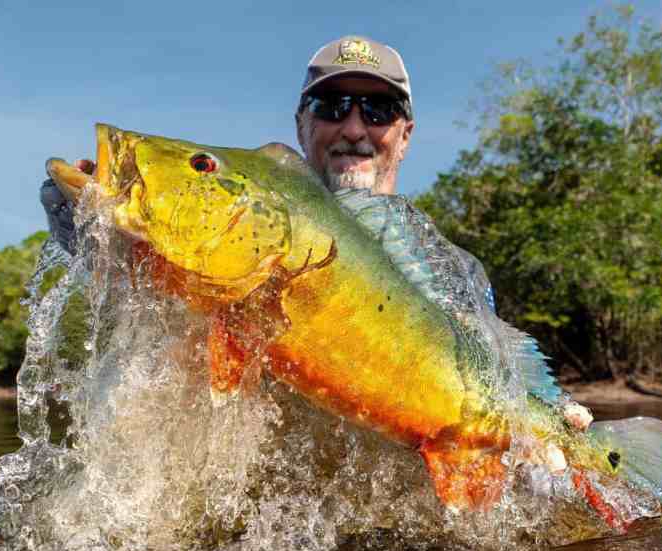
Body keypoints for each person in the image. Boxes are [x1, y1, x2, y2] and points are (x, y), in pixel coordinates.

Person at [39, 35, 593, 431]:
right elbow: (142, 322)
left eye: (378, 110)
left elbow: (496, 375)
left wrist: (555, 422)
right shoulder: (242, 225)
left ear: (405, 134)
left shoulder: (457, 269)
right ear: (302, 123)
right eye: (332, 107)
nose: (354, 127)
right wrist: (96, 242)